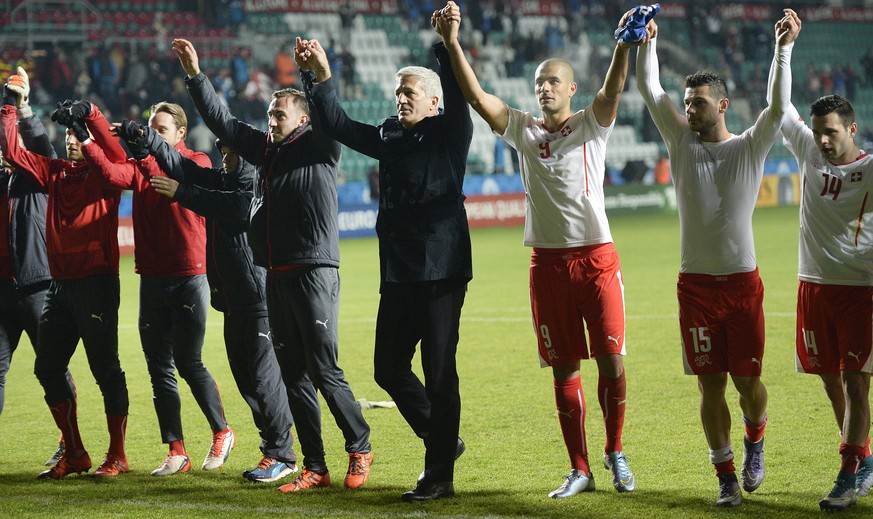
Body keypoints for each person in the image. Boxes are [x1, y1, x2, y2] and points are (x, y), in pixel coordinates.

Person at [434, 0, 640, 499]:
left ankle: (615, 450)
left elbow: (612, 88)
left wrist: (623, 45)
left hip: (596, 259)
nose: (544, 88)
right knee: (565, 366)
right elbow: (481, 100)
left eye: (553, 81)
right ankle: (580, 467)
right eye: (539, 82)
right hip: (547, 264)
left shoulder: (592, 123)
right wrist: (452, 42)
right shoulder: (524, 130)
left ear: (571, 89)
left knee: (611, 362)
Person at [172, 37, 373, 492]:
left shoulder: (320, 146)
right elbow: (222, 122)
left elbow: (330, 113)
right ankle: (315, 467)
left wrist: (318, 73)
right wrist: (195, 75)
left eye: (278, 115)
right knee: (294, 376)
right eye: (269, 115)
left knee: (323, 370)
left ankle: (359, 446)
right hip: (276, 275)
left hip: (313, 269)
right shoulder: (267, 152)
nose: (270, 121)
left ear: (303, 119)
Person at [296, 4, 472, 501]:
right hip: (397, 274)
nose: (400, 99)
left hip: (440, 271)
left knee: (440, 373)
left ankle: (438, 474)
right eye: (397, 92)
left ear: (433, 101)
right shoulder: (390, 137)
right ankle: (443, 439)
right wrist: (319, 75)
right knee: (388, 367)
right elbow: (336, 124)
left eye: (409, 92)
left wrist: (447, 44)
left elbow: (458, 91)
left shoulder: (451, 132)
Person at [634, 7, 797, 507]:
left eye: (699, 103)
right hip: (696, 288)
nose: (690, 110)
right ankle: (726, 476)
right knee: (710, 386)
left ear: (722, 104)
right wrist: (648, 44)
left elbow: (776, 107)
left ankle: (755, 435)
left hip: (743, 285)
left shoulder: (749, 148)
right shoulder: (680, 142)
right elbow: (649, 88)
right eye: (687, 103)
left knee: (749, 383)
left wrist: (782, 50)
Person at [117, 119, 300, 484]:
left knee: (265, 380)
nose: (226, 156)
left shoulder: (251, 184)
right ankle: (272, 449)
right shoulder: (223, 178)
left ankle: (283, 454)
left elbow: (228, 205)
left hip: (256, 298)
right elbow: (184, 169)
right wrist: (147, 142)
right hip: (232, 300)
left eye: (231, 151)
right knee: (248, 381)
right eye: (224, 150)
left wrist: (181, 192)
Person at [80, 101, 235, 477]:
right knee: (158, 368)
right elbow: (113, 172)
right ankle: (176, 450)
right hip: (151, 276)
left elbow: (160, 177)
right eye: (149, 127)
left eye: (160, 129)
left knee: (188, 360)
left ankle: (222, 431)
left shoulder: (196, 162)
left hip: (189, 274)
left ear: (179, 134)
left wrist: (142, 148)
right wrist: (90, 134)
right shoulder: (139, 164)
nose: (152, 134)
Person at [0, 94, 129, 479]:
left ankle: (117, 456)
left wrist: (90, 113)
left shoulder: (108, 174)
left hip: (96, 284)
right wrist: (9, 106)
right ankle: (74, 451)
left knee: (105, 369)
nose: (72, 140)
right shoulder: (54, 171)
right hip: (58, 287)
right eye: (69, 135)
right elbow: (10, 148)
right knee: (48, 367)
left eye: (79, 135)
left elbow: (113, 149)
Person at [776, 12, 873, 512]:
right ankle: (864, 457)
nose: (823, 140)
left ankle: (849, 471)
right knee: (830, 377)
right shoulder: (809, 153)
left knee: (858, 381)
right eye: (818, 132)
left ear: (852, 128)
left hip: (859, 291)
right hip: (812, 286)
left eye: (832, 132)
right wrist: (785, 50)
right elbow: (780, 106)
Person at [0, 67, 75, 466]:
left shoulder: (37, 174)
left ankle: (71, 442)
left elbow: (41, 146)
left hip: (35, 285)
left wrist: (20, 109)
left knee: (51, 369)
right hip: (1, 288)